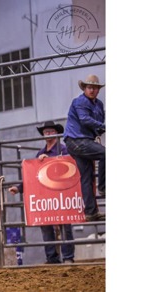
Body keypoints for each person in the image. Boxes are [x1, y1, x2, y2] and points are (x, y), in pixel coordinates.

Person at [8, 121, 75, 264]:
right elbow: (33, 176)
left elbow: (69, 167)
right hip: (46, 195)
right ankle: (52, 258)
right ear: (43, 135)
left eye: (51, 131)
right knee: (46, 226)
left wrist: (49, 160)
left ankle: (68, 257)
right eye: (46, 132)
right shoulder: (40, 153)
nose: (48, 134)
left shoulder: (64, 150)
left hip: (61, 194)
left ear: (56, 133)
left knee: (65, 225)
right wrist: (19, 188)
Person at [63, 75, 106, 222]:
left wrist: (100, 128)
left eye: (94, 88)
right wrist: (102, 127)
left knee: (86, 177)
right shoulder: (80, 101)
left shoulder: (98, 105)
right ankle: (103, 187)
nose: (92, 90)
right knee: (105, 153)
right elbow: (85, 119)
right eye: (89, 87)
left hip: (80, 141)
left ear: (98, 90)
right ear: (85, 89)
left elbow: (98, 122)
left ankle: (90, 212)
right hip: (77, 140)